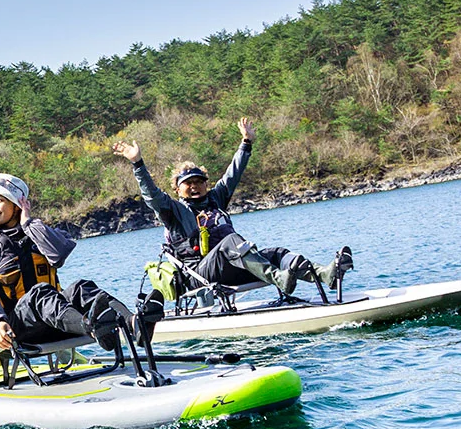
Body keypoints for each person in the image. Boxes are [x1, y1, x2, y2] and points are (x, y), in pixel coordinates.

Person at [112, 118, 350, 300]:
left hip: (232, 266)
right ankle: (279, 279)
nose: (194, 187)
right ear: (177, 189)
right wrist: (137, 164)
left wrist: (246, 143)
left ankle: (325, 275)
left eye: (199, 182)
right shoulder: (172, 211)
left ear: (206, 184)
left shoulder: (215, 199)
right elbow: (151, 195)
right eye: (188, 184)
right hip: (200, 276)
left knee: (277, 253)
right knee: (231, 242)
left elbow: (233, 173)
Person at [0, 172, 136, 355]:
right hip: (13, 331)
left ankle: (134, 323)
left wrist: (28, 224)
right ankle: (93, 327)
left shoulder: (37, 232)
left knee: (81, 288)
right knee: (40, 293)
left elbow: (58, 254)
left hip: (55, 323)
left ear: (16, 206)